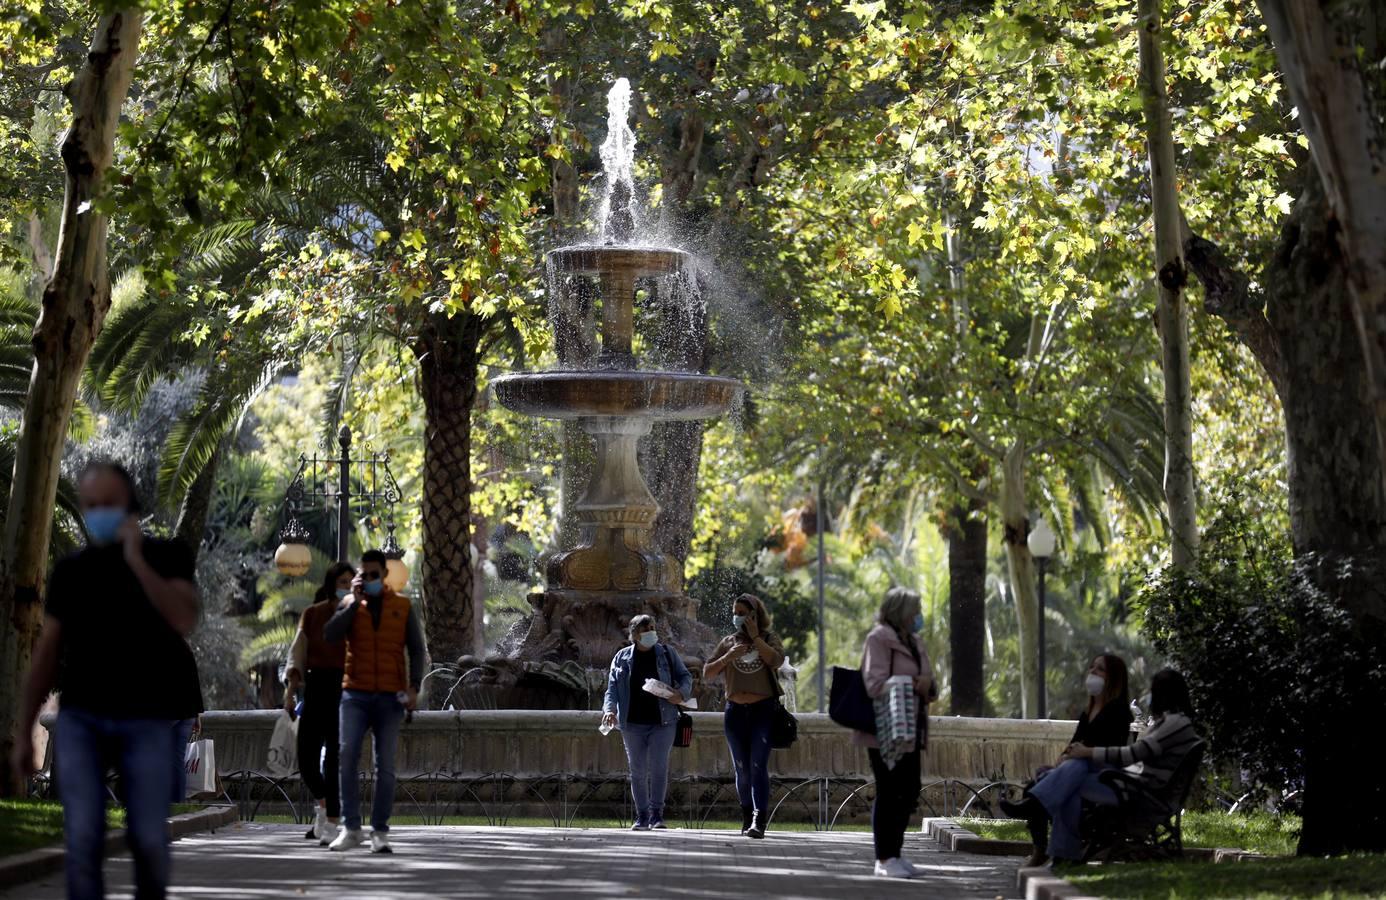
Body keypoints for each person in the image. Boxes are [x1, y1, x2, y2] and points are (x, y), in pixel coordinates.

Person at [9, 461, 200, 900]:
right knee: (82, 839)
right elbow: (47, 652)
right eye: (90, 505)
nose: (98, 512)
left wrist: (135, 560)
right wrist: (24, 731)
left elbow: (183, 617)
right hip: (83, 718)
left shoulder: (168, 556)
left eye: (108, 504)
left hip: (147, 719)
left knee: (151, 841)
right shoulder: (71, 570)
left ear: (131, 505)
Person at [1004, 668, 1199, 866]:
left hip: (1139, 795)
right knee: (1073, 773)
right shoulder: (1174, 723)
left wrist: (1088, 752)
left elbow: (1132, 754)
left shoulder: (1175, 724)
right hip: (1134, 787)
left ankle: (1039, 805)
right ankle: (1057, 844)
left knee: (1073, 774)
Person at [324, 550, 426, 854]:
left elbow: (417, 650)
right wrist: (353, 604)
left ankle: (380, 831)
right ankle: (350, 827)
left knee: (386, 766)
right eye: (363, 574)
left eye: (373, 574)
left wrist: (413, 688)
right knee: (347, 754)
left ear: (383, 575)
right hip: (355, 693)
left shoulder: (403, 607)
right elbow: (330, 635)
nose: (367, 579)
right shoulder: (350, 605)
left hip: (390, 696)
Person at [1003, 654, 1133, 866]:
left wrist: (1080, 753)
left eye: (1099, 669)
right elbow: (1074, 744)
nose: (1092, 672)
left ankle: (1034, 808)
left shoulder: (1119, 711)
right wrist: (1065, 756)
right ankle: (1062, 856)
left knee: (1048, 779)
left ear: (1113, 678)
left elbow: (1112, 750)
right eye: (1091, 667)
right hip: (1080, 774)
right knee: (1064, 787)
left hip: (1104, 776)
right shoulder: (1088, 711)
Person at [852, 587, 938, 879]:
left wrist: (928, 685)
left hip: (912, 727)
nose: (919, 616)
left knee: (910, 789)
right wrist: (916, 682)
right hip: (884, 729)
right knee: (890, 790)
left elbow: (927, 677)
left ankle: (896, 853)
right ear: (900, 611)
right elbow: (874, 683)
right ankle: (884, 858)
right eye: (915, 610)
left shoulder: (914, 641)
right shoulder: (879, 639)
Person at [703, 593, 785, 839]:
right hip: (735, 712)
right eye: (735, 613)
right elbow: (707, 672)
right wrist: (729, 656)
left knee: (758, 766)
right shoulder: (728, 642)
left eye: (743, 613)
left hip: (763, 711)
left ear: (755, 615)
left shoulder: (769, 638)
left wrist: (756, 638)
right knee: (742, 769)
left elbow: (777, 660)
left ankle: (760, 819)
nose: (737, 617)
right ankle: (746, 815)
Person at [284, 562, 354, 845]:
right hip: (315, 687)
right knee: (306, 758)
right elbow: (297, 654)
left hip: (345, 689)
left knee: (336, 758)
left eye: (351, 582)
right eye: (342, 581)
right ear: (330, 584)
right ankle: (325, 806)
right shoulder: (312, 614)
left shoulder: (358, 616)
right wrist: (290, 691)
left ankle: (330, 821)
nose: (346, 586)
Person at [601, 614, 693, 831]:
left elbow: (685, 676)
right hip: (631, 723)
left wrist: (680, 694)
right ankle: (642, 816)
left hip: (664, 721)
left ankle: (657, 815)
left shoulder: (666, 653)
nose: (652, 632)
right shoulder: (621, 658)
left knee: (659, 768)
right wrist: (609, 710)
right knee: (638, 771)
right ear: (635, 634)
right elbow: (612, 689)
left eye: (653, 627)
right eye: (646, 629)